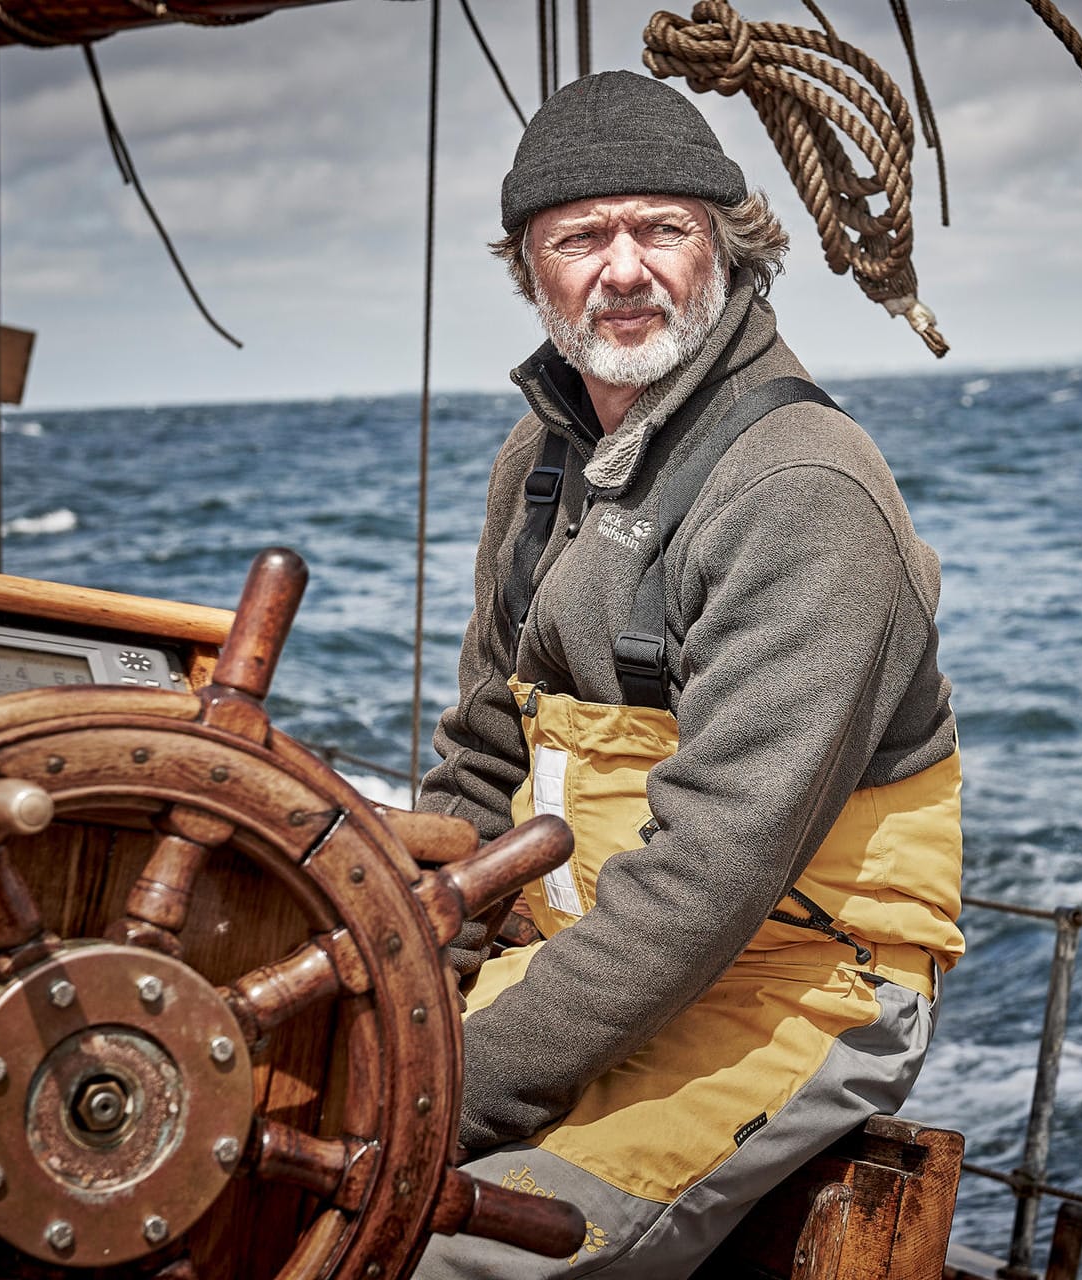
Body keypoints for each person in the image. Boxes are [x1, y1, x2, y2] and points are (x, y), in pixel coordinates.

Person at [411, 70, 964, 1278]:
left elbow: (710, 878)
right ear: (530, 267)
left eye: (661, 229)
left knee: (445, 1251)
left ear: (727, 246)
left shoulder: (799, 490)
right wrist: (402, 978)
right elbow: (479, 764)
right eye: (580, 238)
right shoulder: (543, 460)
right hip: (581, 951)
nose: (624, 270)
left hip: (789, 981)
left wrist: (449, 1097)